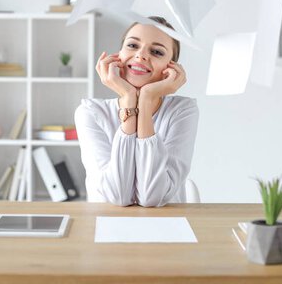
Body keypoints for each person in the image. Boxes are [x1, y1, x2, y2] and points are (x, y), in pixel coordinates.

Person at [74, 16, 199, 207]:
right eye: (132, 45)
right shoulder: (90, 113)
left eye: (157, 52)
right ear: (118, 56)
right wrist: (129, 99)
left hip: (168, 229)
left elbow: (151, 197)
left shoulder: (182, 111)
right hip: (105, 228)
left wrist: (146, 100)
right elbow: (117, 196)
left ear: (170, 68)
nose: (141, 55)